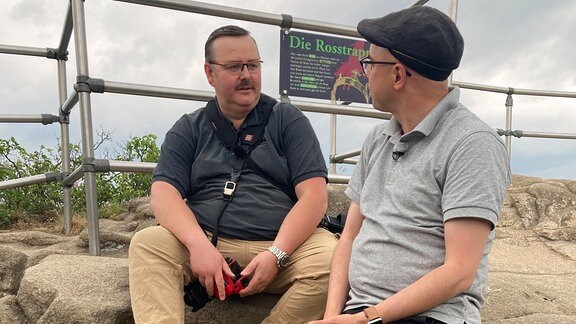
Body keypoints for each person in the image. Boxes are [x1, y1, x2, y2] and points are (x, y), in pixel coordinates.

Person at [310, 6, 511, 324]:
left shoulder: (473, 143)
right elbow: (348, 237)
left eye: (369, 63)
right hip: (360, 312)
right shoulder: (378, 138)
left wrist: (366, 319)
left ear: (398, 74)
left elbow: (459, 272)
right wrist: (332, 316)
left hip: (432, 316)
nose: (366, 72)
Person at [128, 25, 337, 324]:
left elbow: (314, 196)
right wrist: (198, 246)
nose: (246, 75)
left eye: (252, 65)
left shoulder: (288, 120)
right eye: (234, 66)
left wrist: (277, 254)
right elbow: (164, 193)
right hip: (209, 243)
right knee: (148, 244)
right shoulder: (189, 128)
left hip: (285, 246)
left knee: (334, 260)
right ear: (210, 73)